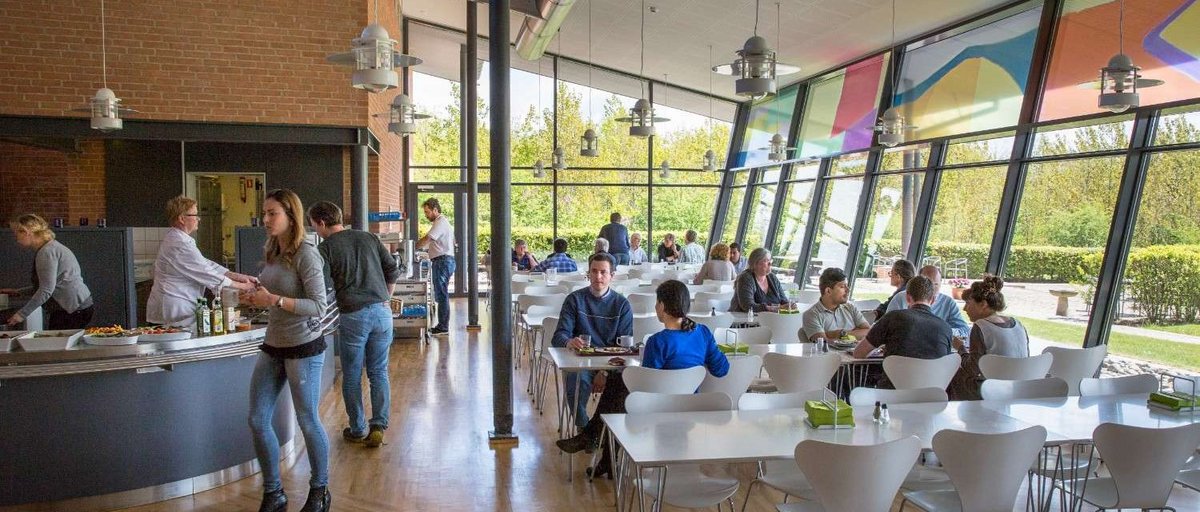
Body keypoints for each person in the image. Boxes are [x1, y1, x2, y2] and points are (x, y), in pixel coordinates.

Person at [555, 279, 728, 479]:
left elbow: (647, 383)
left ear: (662, 306)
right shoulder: (703, 333)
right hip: (691, 404)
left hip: (658, 406)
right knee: (618, 384)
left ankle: (594, 439)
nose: (655, 307)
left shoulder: (658, 341)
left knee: (619, 389)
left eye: (657, 302)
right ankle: (603, 455)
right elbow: (722, 369)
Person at [239, 190, 331, 512]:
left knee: (307, 420)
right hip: (274, 343)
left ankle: (319, 491)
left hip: (304, 346)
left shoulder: (307, 253)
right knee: (257, 419)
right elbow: (274, 293)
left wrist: (275, 300)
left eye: (272, 213)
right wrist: (257, 296)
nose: (265, 220)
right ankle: (274, 492)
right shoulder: (273, 250)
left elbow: (318, 305)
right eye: (264, 213)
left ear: (291, 215)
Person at [308, 201, 397, 449]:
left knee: (352, 375)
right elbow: (392, 270)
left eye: (314, 225)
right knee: (379, 372)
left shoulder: (324, 249)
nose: (316, 230)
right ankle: (378, 425)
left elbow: (320, 287)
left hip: (353, 315)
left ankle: (357, 428)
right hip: (382, 312)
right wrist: (385, 299)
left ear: (322, 223)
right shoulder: (369, 237)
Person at [551, 253, 633, 432]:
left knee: (626, 383)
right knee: (574, 379)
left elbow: (624, 348)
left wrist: (603, 372)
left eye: (604, 272)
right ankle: (585, 428)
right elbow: (559, 336)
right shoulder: (574, 300)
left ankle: (605, 434)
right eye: (594, 271)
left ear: (612, 275)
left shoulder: (622, 305)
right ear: (588, 273)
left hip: (611, 365)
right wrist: (569, 341)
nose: (598, 277)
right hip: (582, 363)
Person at [146, 196, 257, 327]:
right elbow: (207, 273)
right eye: (195, 215)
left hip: (179, 306)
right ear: (182, 219)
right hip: (175, 309)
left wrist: (240, 277)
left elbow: (206, 264)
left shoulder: (180, 239)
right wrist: (244, 286)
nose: (199, 218)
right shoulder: (179, 244)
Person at [853, 275, 953, 389]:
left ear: (908, 298)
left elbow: (858, 353)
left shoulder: (893, 318)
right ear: (933, 300)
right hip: (930, 397)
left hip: (891, 394)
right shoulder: (946, 328)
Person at [3, 214, 94, 329]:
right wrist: (17, 292)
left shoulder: (46, 252)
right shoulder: (50, 248)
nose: (16, 238)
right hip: (78, 306)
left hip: (72, 310)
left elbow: (46, 289)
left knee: (57, 344)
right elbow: (51, 285)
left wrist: (21, 315)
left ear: (27, 232)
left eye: (17, 233)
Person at [950, 275, 1031, 400]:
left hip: (989, 390)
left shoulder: (981, 326)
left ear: (983, 304)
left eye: (968, 303)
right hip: (1017, 386)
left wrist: (960, 347)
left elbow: (973, 369)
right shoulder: (1018, 324)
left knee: (949, 374)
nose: (965, 308)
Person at [886, 265, 970, 337]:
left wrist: (941, 331)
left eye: (935, 284)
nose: (931, 289)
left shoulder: (948, 303)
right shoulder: (900, 298)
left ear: (941, 283)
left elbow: (964, 330)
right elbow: (886, 328)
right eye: (926, 284)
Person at [415, 197, 454, 336]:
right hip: (442, 261)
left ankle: (443, 327)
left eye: (427, 212)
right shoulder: (440, 222)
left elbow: (428, 238)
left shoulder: (440, 222)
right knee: (441, 294)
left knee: (442, 295)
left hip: (443, 261)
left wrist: (413, 246)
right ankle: (442, 325)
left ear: (435, 210)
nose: (426, 215)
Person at [802, 267, 871, 341]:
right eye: (842, 287)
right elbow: (823, 344)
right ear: (828, 291)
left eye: (847, 286)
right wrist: (855, 333)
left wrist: (839, 334)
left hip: (855, 352)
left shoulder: (850, 308)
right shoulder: (811, 314)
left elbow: (869, 333)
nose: (848, 290)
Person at [731, 248, 789, 312]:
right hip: (744, 319)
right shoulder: (746, 278)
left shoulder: (772, 277)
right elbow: (747, 306)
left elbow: (783, 300)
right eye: (766, 261)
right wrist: (773, 308)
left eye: (770, 260)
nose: (770, 264)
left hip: (770, 318)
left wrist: (789, 305)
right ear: (755, 263)